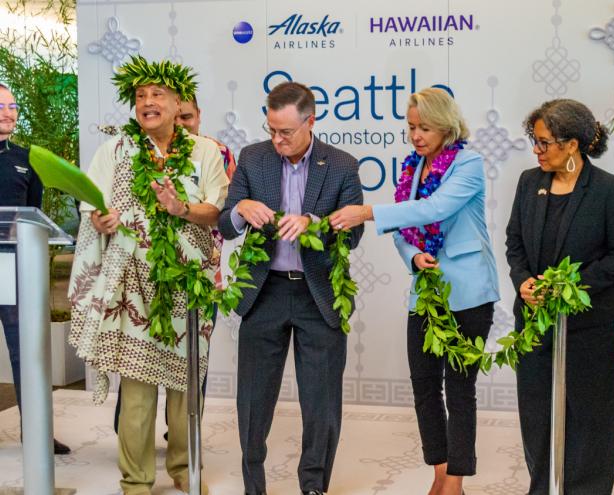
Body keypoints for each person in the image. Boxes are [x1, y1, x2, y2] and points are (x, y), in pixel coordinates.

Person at [68, 57, 228, 495]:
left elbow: (215, 210)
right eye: (140, 97)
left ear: (180, 104)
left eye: (157, 95)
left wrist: (181, 208)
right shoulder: (117, 150)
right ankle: (135, 481)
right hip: (130, 284)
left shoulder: (204, 151)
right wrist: (99, 220)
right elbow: (92, 204)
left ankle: (183, 468)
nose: (147, 103)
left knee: (184, 385)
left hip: (186, 282)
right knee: (137, 389)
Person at [330, 87, 500, 495]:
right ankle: (439, 471)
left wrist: (368, 212)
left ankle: (455, 482)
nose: (416, 135)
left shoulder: (469, 163)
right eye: (411, 127)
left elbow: (435, 209)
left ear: (447, 126)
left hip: (469, 293)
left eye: (425, 127)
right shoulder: (413, 166)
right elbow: (405, 230)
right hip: (425, 291)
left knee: (460, 388)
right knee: (424, 385)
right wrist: (412, 257)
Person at [217, 81, 364, 495]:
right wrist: (241, 211)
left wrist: (317, 224)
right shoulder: (252, 158)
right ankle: (254, 485)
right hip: (264, 291)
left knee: (320, 402)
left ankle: (314, 485)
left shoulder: (341, 165)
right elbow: (225, 225)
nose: (278, 140)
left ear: (310, 121)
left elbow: (353, 238)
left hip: (319, 294)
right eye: (272, 130)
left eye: (286, 132)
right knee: (253, 400)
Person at [505, 99, 614, 494]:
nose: (537, 150)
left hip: (589, 325)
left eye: (545, 142)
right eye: (535, 140)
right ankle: (543, 487)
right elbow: (514, 241)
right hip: (534, 320)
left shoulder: (609, 189)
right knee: (537, 414)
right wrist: (523, 281)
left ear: (573, 144)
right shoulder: (530, 183)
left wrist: (570, 287)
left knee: (588, 415)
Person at [0, 82, 71, 455]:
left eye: (13, 106)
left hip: (13, 270)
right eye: (1, 105)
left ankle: (37, 432)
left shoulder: (27, 158)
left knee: (25, 352)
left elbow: (34, 216)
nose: (8, 112)